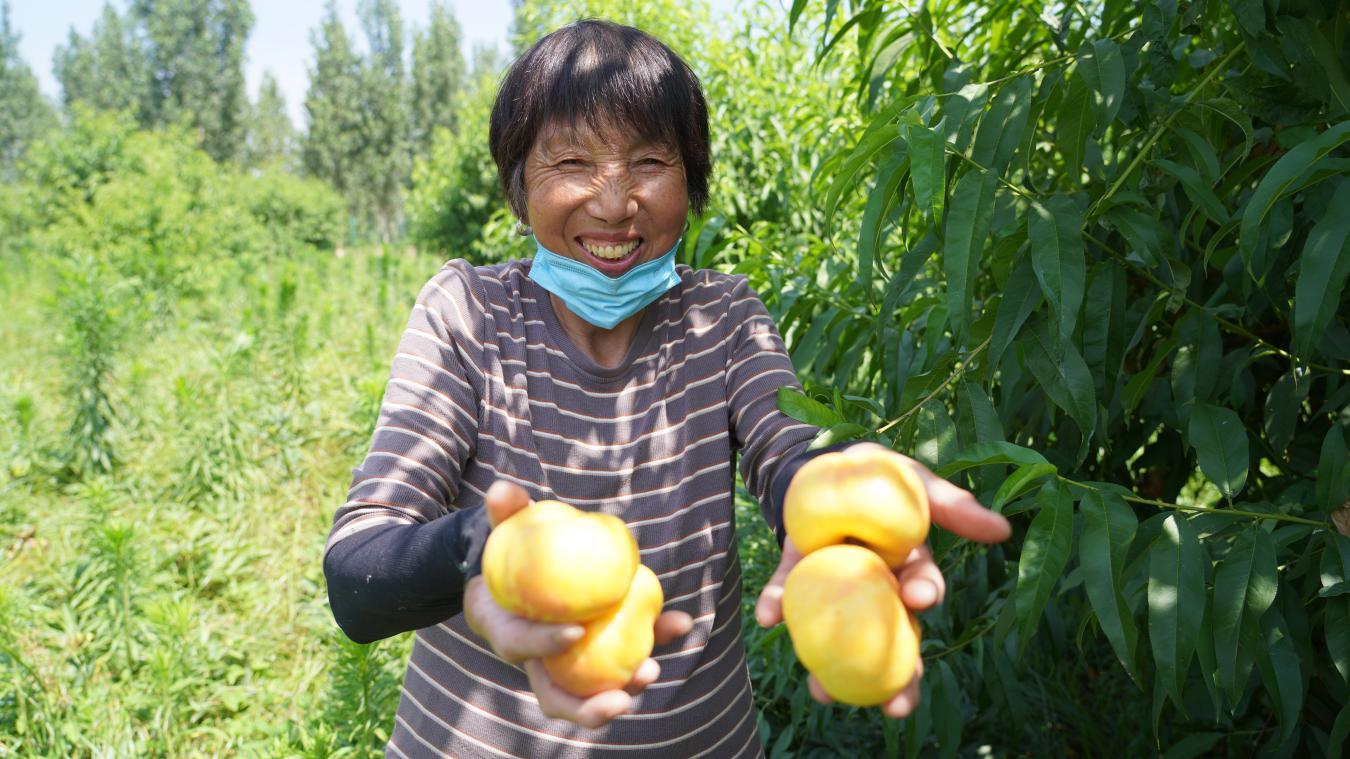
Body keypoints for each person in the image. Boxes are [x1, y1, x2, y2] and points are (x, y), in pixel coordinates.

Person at [323, 19, 1011, 758]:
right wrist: (495, 550)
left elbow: (787, 453)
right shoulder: (469, 312)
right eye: (572, 162)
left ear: (692, 178)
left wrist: (839, 499)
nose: (614, 203)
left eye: (649, 160)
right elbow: (358, 574)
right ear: (519, 186)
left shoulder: (723, 317)